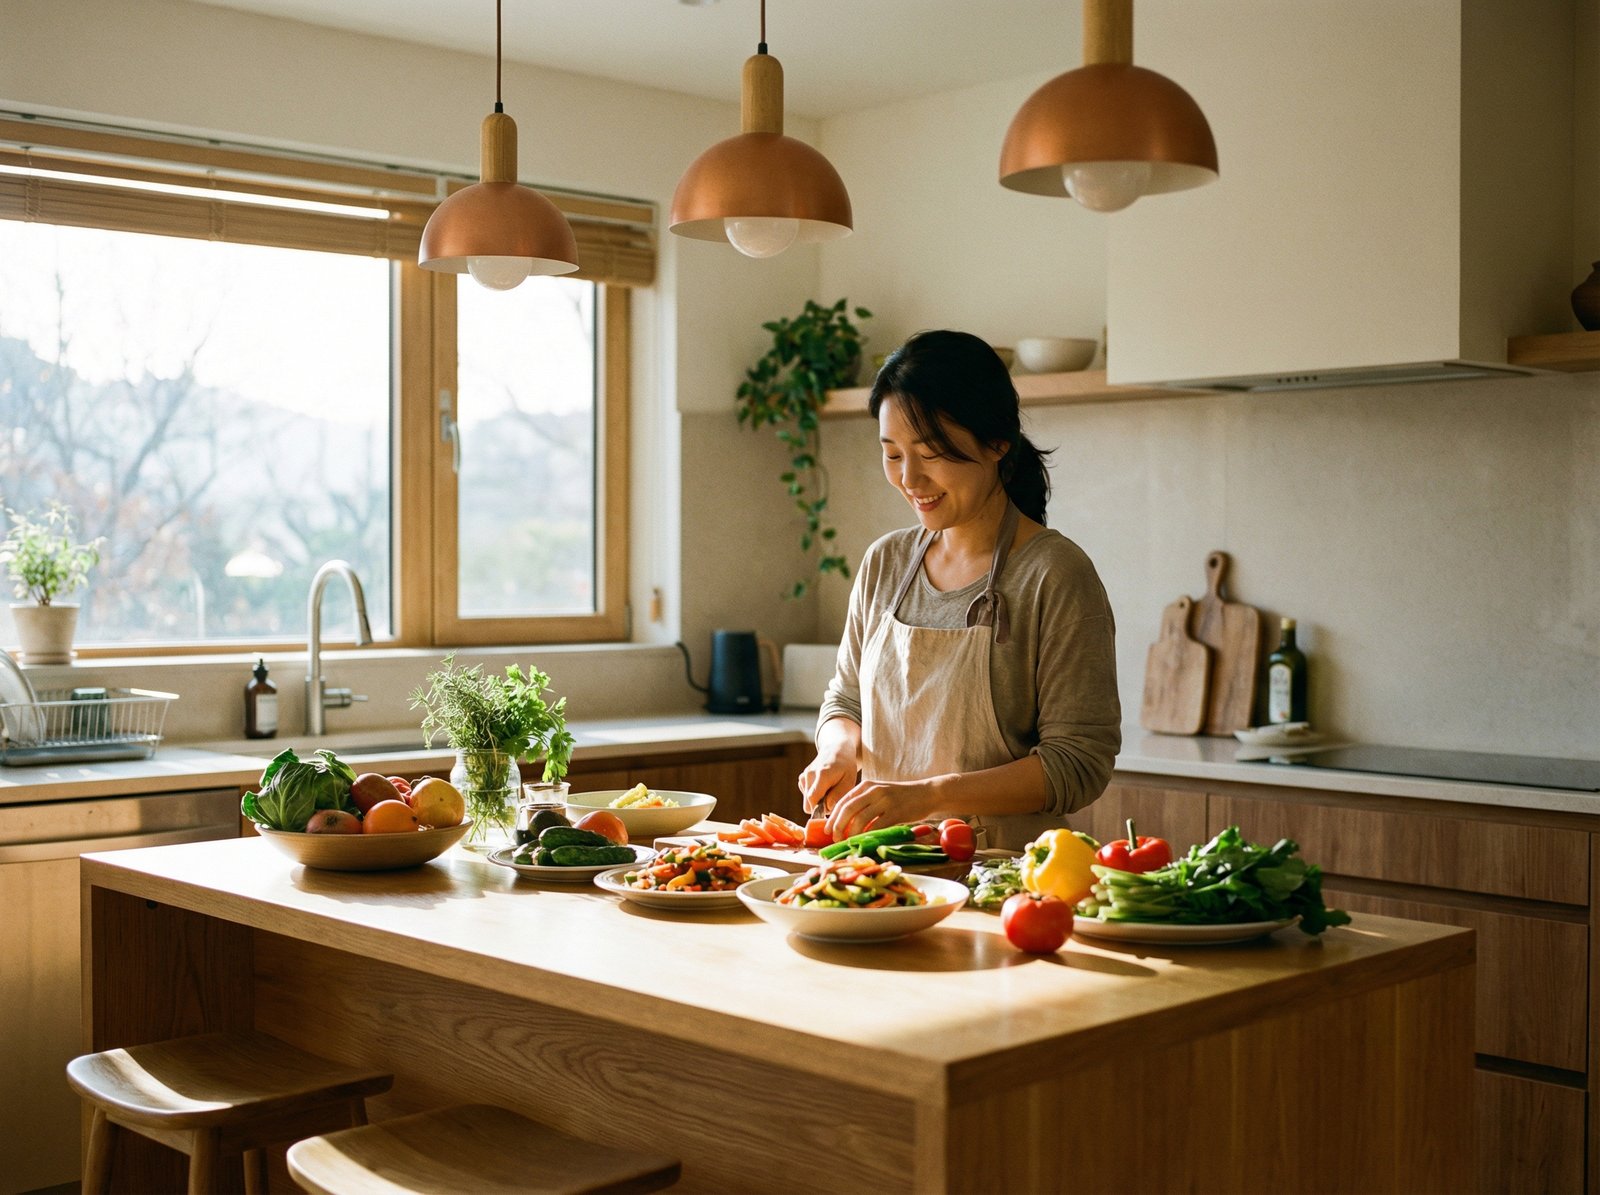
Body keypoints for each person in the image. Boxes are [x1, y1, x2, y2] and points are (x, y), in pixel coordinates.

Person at [800, 329, 1121, 851]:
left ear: (997, 443)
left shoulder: (1055, 574)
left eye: (931, 453)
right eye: (893, 454)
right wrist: (836, 750)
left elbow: (1078, 763)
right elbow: (847, 700)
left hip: (1005, 886)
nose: (910, 478)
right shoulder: (886, 562)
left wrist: (927, 796)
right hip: (879, 871)